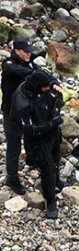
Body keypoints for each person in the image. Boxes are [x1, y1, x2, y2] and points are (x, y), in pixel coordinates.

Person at [9, 69, 63, 218]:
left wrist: (56, 87)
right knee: (48, 169)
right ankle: (50, 202)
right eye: (46, 87)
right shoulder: (22, 103)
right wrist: (52, 123)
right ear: (38, 87)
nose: (49, 89)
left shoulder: (42, 83)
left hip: (52, 129)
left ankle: (57, 181)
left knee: (56, 157)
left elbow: (51, 80)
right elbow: (29, 129)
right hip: (38, 139)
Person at [2, 38, 39, 195]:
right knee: (14, 145)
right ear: (17, 51)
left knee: (32, 136)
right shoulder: (8, 65)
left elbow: (36, 72)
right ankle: (12, 177)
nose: (29, 54)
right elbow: (22, 72)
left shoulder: (29, 62)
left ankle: (31, 159)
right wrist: (37, 74)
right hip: (11, 114)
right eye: (26, 51)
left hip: (27, 110)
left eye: (30, 51)